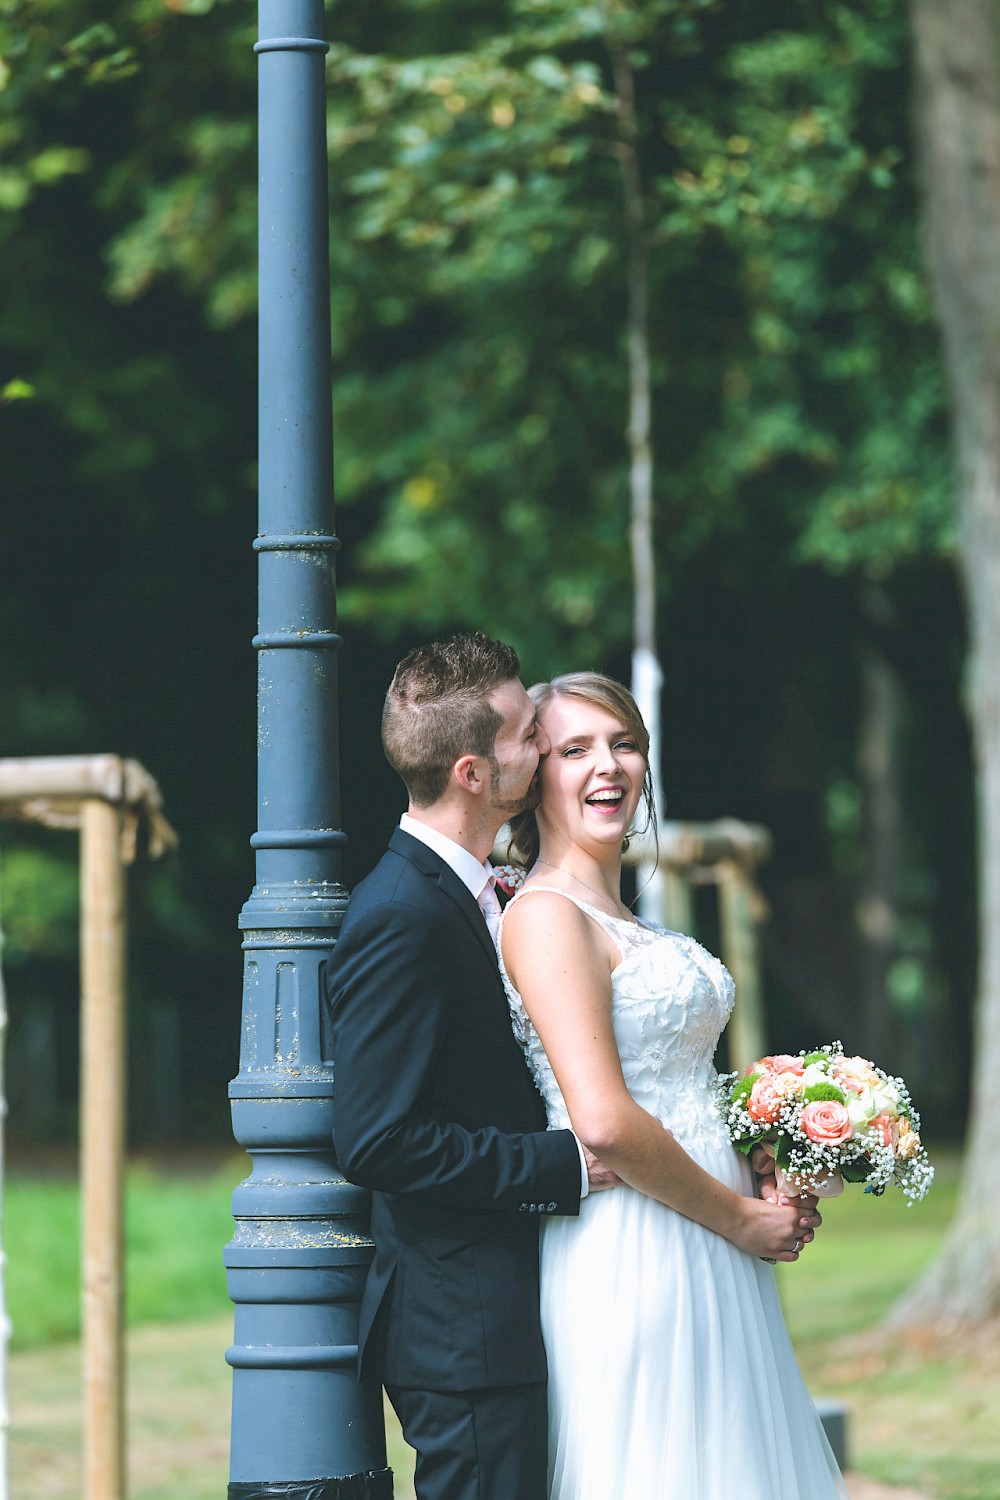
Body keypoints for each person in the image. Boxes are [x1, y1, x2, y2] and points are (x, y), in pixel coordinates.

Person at [498, 671, 847, 1500]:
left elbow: (683, 1078)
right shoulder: (548, 916)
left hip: (712, 1234)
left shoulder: (631, 920)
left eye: (623, 744)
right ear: (532, 773)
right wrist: (743, 1220)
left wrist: (766, 1137)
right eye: (575, 749)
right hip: (637, 1246)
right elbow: (605, 1120)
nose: (607, 767)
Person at [326, 634, 618, 1500]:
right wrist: (562, 1161)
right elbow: (378, 1141)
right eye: (530, 733)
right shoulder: (400, 916)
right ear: (472, 772)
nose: (543, 743)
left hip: (509, 1305)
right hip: (460, 1330)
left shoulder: (481, 890)